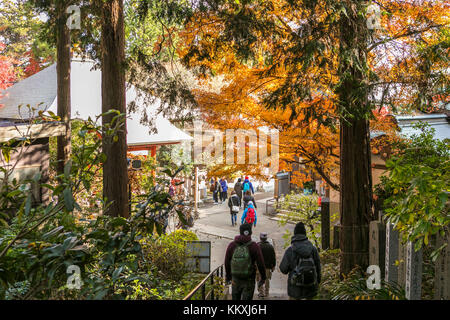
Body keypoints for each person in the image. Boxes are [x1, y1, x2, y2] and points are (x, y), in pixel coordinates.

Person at [279, 222, 321, 300]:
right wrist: (318, 281)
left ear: (295, 234)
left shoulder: (290, 250)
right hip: (311, 285)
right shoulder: (313, 249)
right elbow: (318, 266)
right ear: (305, 234)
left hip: (295, 288)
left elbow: (283, 269)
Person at [224, 223, 266, 300]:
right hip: (249, 279)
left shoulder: (232, 245)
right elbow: (261, 263)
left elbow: (227, 262)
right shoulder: (254, 246)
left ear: (240, 232)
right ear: (250, 232)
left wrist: (228, 276)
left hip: (235, 278)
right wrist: (263, 278)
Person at [256, 232, 276, 298]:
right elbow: (273, 257)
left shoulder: (257, 246)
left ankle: (261, 292)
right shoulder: (270, 247)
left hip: (259, 267)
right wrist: (273, 266)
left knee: (259, 279)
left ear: (260, 238)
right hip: (267, 267)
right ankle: (267, 292)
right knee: (267, 279)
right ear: (266, 238)